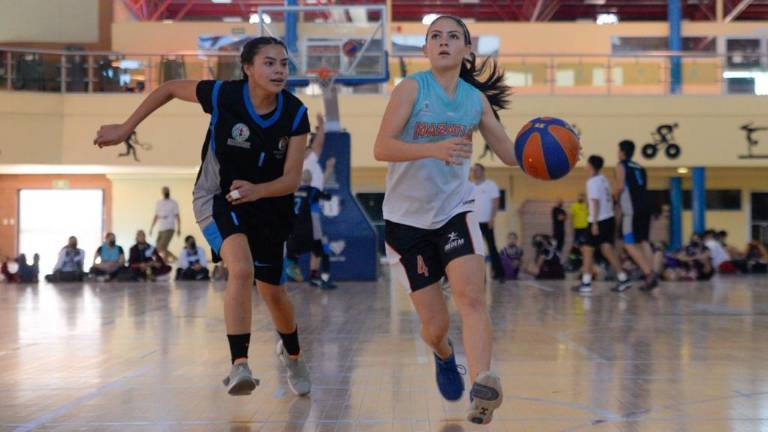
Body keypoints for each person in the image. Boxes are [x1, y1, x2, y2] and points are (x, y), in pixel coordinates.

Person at [93, 37, 312, 397]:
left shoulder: (295, 113)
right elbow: (167, 89)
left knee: (273, 292)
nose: (278, 71)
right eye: (269, 63)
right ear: (248, 69)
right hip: (217, 197)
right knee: (241, 269)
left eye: (284, 64)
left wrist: (258, 190)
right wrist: (126, 127)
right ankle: (239, 365)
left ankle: (294, 355)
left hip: (270, 203)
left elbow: (291, 180)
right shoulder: (223, 95)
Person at [374, 15, 519, 424]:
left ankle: (481, 388)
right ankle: (443, 354)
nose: (442, 42)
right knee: (435, 327)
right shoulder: (410, 89)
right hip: (405, 223)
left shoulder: (475, 100)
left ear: (466, 50)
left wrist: (547, 150)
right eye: (435, 36)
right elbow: (382, 147)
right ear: (425, 49)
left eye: (452, 36)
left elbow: (509, 152)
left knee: (472, 298)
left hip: (455, 212)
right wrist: (432, 148)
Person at [573, 155, 632, 294]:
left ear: (591, 165)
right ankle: (623, 278)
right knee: (607, 249)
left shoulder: (592, 182)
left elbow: (595, 202)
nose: (585, 166)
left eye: (587, 163)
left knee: (587, 249)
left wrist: (594, 223)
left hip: (598, 220)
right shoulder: (604, 179)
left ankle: (586, 283)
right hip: (608, 218)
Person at [614, 140, 658, 290]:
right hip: (645, 206)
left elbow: (620, 187)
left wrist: (614, 199)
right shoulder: (640, 167)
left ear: (622, 152)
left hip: (631, 209)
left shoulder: (621, 165)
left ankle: (648, 274)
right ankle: (652, 274)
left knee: (628, 243)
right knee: (644, 241)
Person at [285, 170, 336, 289]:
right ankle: (325, 279)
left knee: (294, 252)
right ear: (311, 179)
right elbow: (328, 197)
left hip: (294, 232)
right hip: (311, 230)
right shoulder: (313, 191)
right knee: (324, 252)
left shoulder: (292, 191)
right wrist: (325, 192)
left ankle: (292, 265)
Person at [301, 113, 333, 285]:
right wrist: (322, 126)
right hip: (309, 212)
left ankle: (314, 274)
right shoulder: (305, 161)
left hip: (310, 210)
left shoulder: (310, 166)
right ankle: (321, 276)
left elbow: (320, 184)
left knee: (316, 245)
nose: (311, 150)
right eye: (308, 149)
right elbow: (318, 144)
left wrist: (328, 169)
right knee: (321, 246)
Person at [470, 163, 504, 282]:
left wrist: (492, 218)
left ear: (483, 171)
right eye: (473, 170)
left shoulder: (491, 185)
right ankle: (479, 276)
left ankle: (499, 274)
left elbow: (495, 202)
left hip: (486, 222)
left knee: (492, 247)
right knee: (475, 250)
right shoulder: (470, 186)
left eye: (477, 170)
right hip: (473, 223)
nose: (474, 172)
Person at [149, 186, 180, 263]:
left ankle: (174, 258)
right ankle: (166, 262)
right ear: (162, 192)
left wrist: (179, 228)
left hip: (169, 228)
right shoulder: (159, 203)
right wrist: (151, 228)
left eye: (167, 191)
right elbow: (156, 216)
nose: (166, 192)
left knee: (161, 247)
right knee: (158, 248)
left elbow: (177, 216)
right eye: (164, 191)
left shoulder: (173, 203)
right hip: (161, 228)